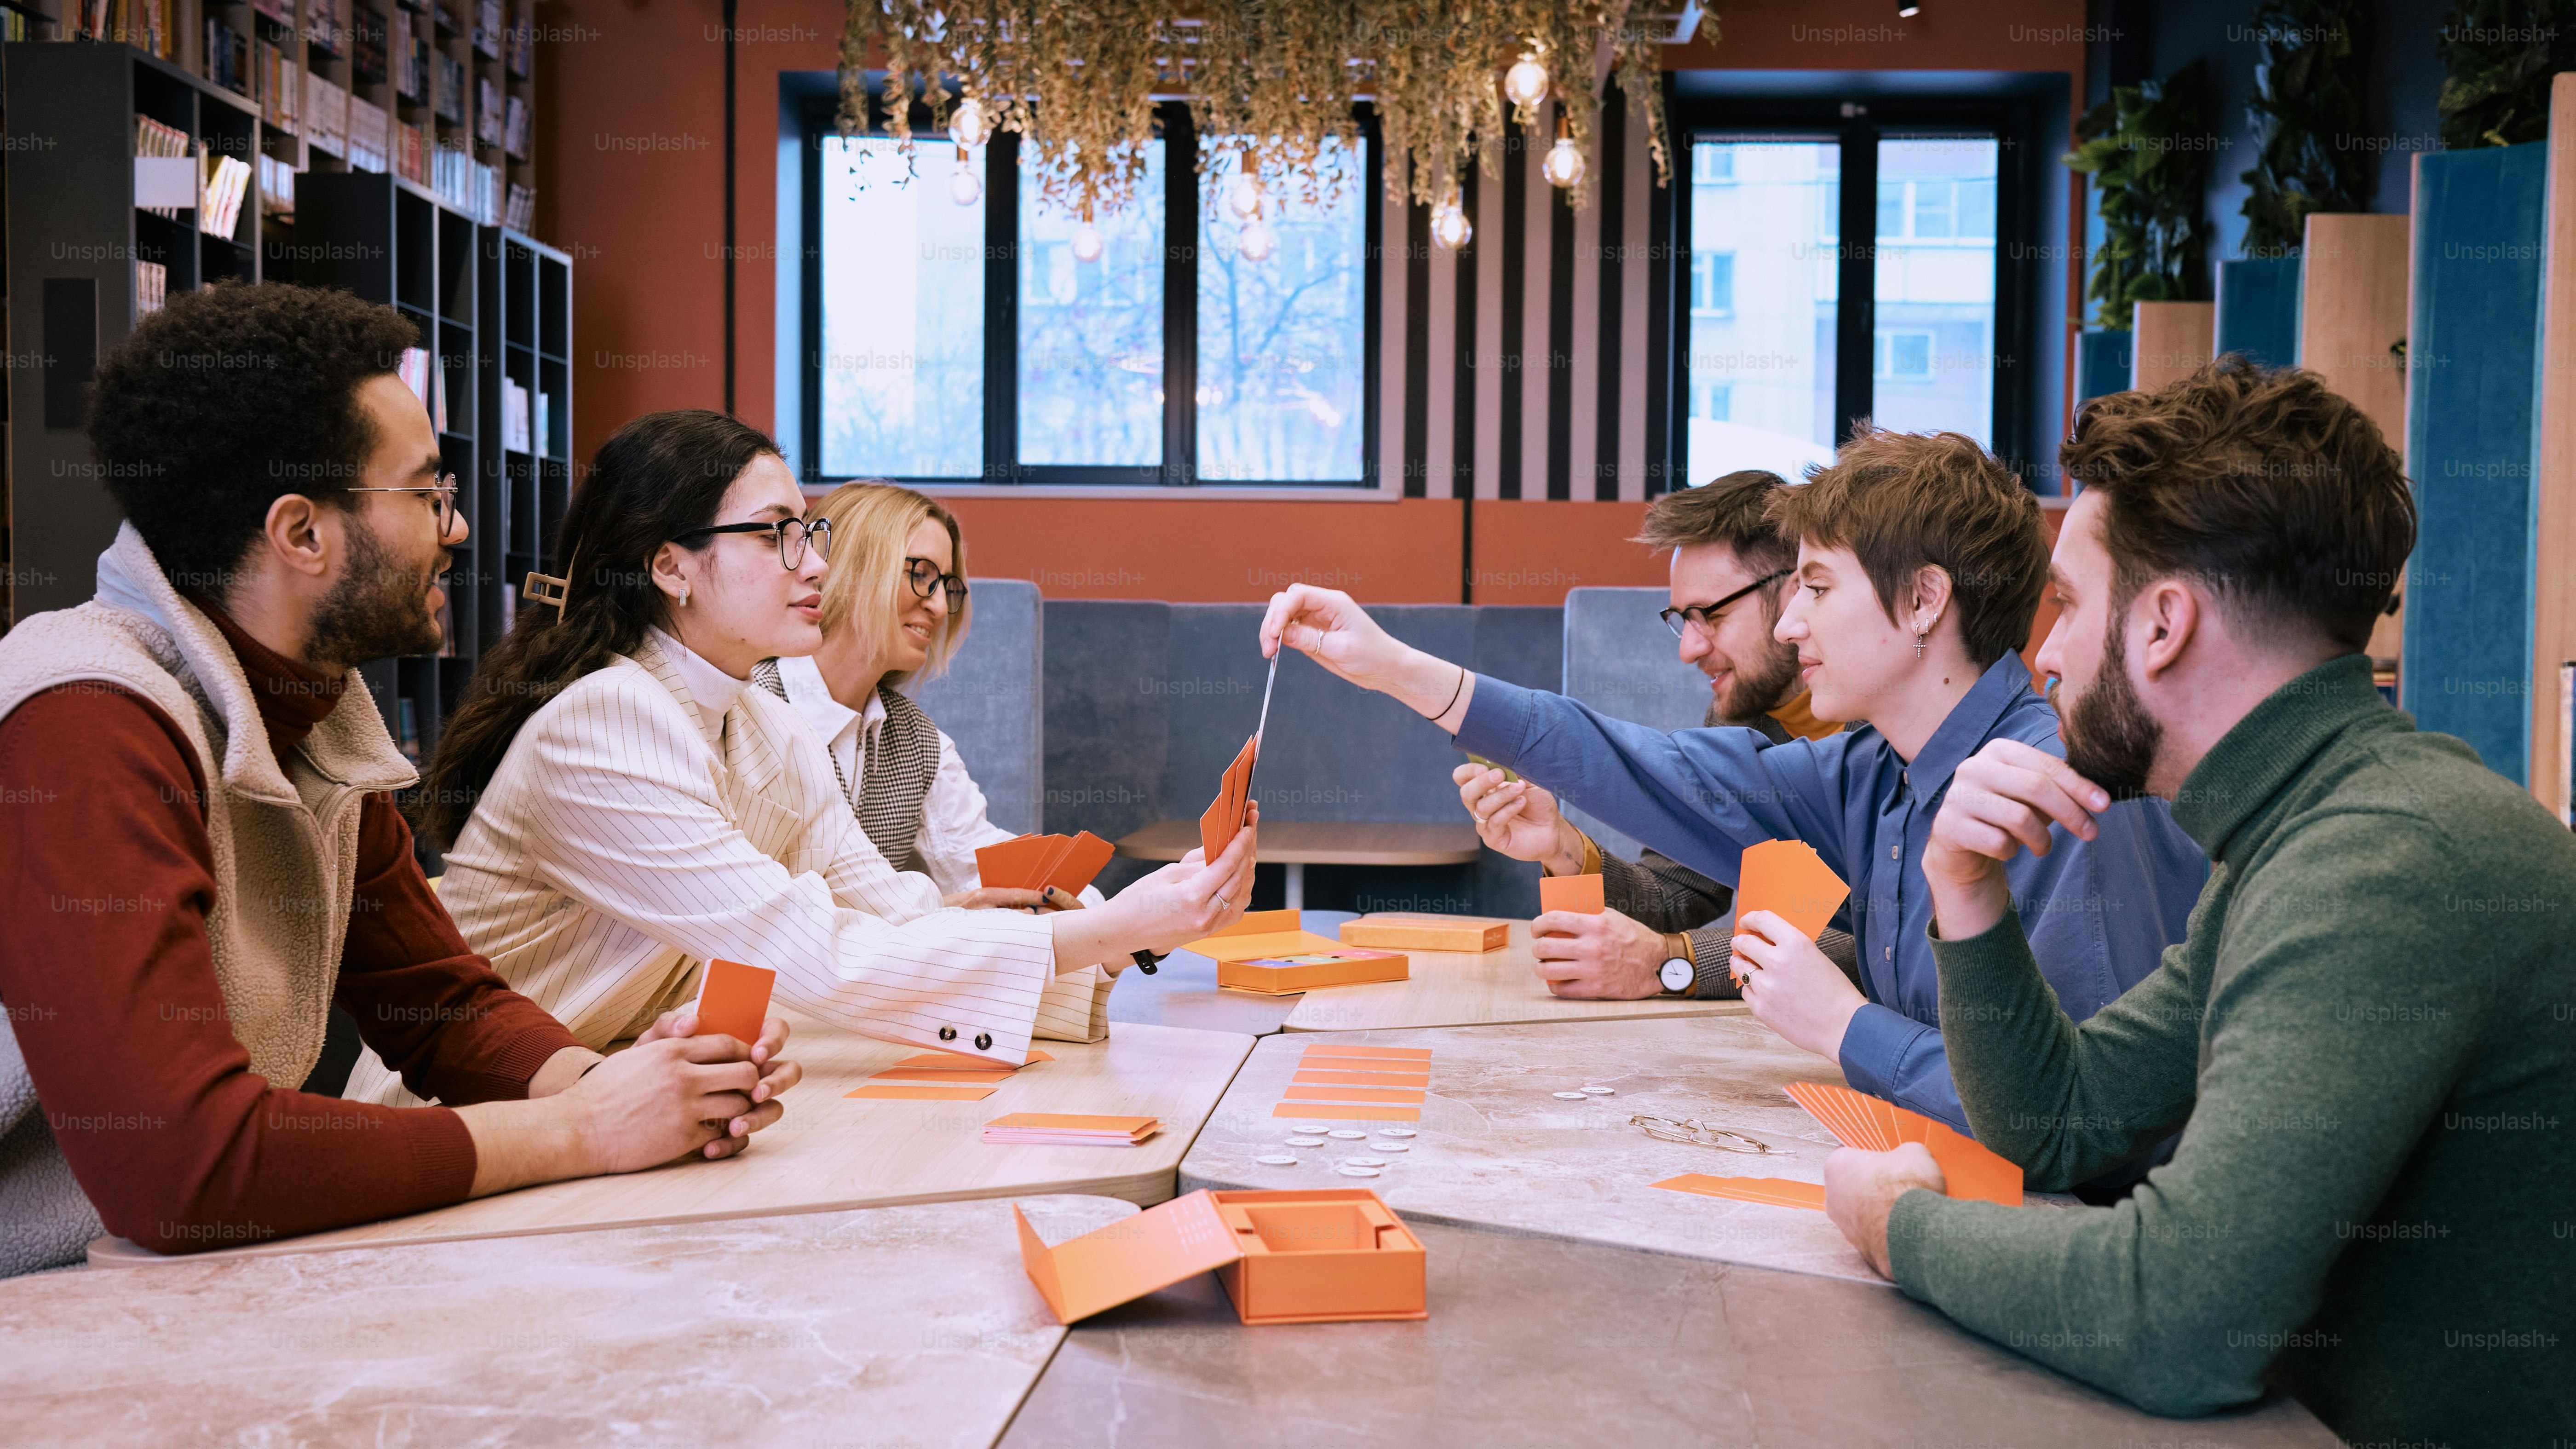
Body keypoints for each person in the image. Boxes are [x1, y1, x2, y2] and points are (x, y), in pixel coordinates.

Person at [1818, 360, 2575, 1441]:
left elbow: (2176, 1316)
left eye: (2068, 605)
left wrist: (1899, 1228)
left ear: (2163, 624)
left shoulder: (2381, 859)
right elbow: (2061, 1121)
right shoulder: (2300, 830)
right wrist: (1964, 886)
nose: (2045, 656)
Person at [0, 285, 798, 1276]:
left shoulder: (317, 710)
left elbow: (441, 1004)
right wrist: (585, 1129)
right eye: (427, 495)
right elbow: (181, 1170)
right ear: (302, 534)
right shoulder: (84, 721)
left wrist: (623, 1087)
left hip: (160, 1283)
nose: (454, 529)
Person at [1260, 427, 2207, 1134]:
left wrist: (1846, 1028)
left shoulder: (2060, 796)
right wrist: (1390, 666)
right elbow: (1634, 762)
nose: (1793, 627)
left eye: (1818, 589)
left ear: (1924, 600)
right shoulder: (1870, 771)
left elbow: (2079, 1121)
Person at [342, 411, 1254, 1109]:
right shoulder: (606, 720)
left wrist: (1124, 939)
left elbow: (887, 909)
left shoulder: (765, 725)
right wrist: (1111, 929)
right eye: (777, 533)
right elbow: (815, 949)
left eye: (809, 532)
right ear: (671, 567)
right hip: (468, 1118)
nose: (815, 564)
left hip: (609, 1093)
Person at [1453, 469, 1858, 1002]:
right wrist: (1562, 847)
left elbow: (1881, 946)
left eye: (1709, 615)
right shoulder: (1742, 719)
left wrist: (1670, 962)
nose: (1688, 650)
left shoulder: (1890, 727)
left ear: (1794, 595)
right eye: (1681, 620)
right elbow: (1676, 894)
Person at [752, 481, 1085, 913]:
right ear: (851, 568)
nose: (940, 608)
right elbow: (758, 908)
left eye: (946, 585)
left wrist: (1108, 909)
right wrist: (954, 909)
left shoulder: (918, 741)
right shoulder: (745, 712)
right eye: (922, 575)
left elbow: (983, 864)